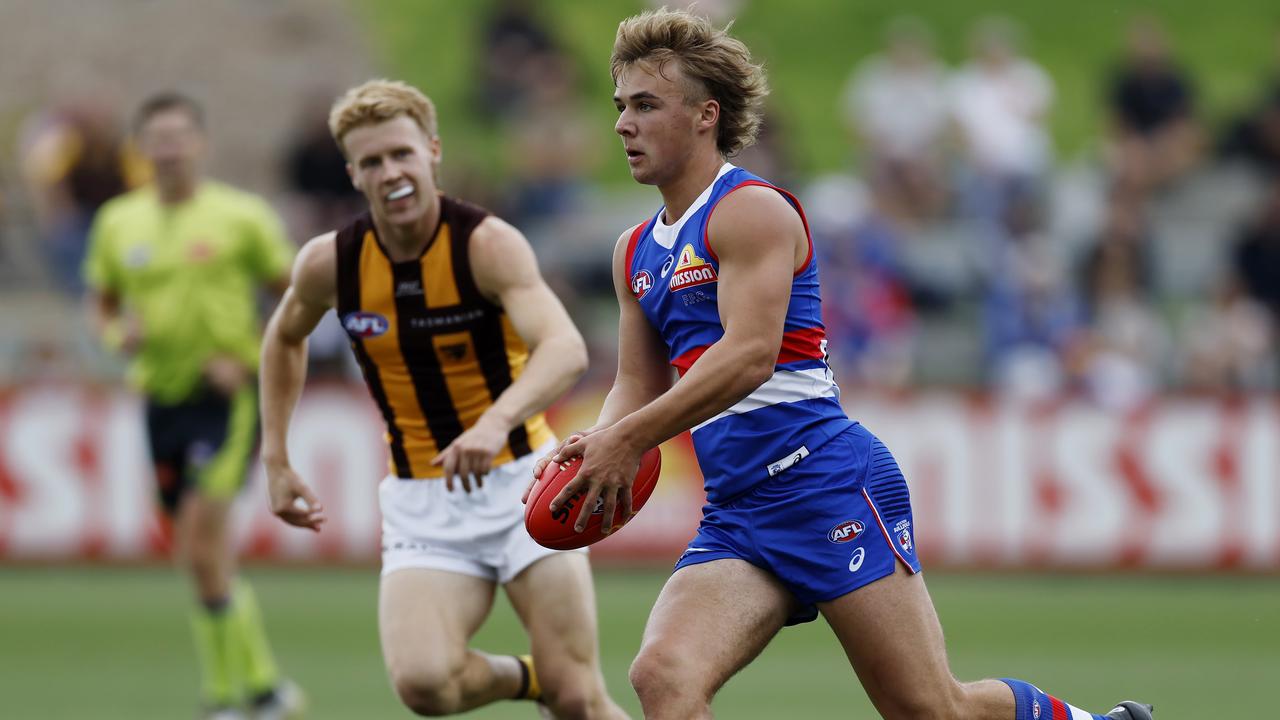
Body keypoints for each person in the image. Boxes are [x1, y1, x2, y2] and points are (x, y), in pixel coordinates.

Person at [533, 9, 1155, 720]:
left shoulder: (750, 211)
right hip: (739, 509)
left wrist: (631, 437)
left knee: (929, 709)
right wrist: (597, 442)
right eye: (620, 106)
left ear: (706, 116)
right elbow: (637, 384)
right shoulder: (633, 251)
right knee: (664, 679)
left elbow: (749, 356)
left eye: (645, 105)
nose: (622, 124)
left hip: (823, 482)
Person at [258, 79, 628, 720]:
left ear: (431, 151)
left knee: (582, 701)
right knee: (424, 684)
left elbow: (565, 348)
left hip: (524, 483)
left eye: (401, 153)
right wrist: (275, 457)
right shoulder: (332, 263)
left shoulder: (485, 244)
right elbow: (283, 336)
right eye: (372, 162)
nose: (390, 172)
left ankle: (562, 686)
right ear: (352, 173)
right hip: (421, 499)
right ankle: (533, 678)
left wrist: (495, 423)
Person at [82, 92, 303, 720]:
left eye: (180, 136)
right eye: (158, 137)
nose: (170, 148)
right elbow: (100, 301)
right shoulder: (119, 222)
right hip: (161, 399)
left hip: (224, 400)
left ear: (199, 144)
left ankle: (226, 696)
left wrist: (249, 353)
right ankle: (263, 690)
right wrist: (114, 336)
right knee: (196, 556)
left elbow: (292, 294)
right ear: (142, 147)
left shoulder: (241, 217)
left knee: (204, 545)